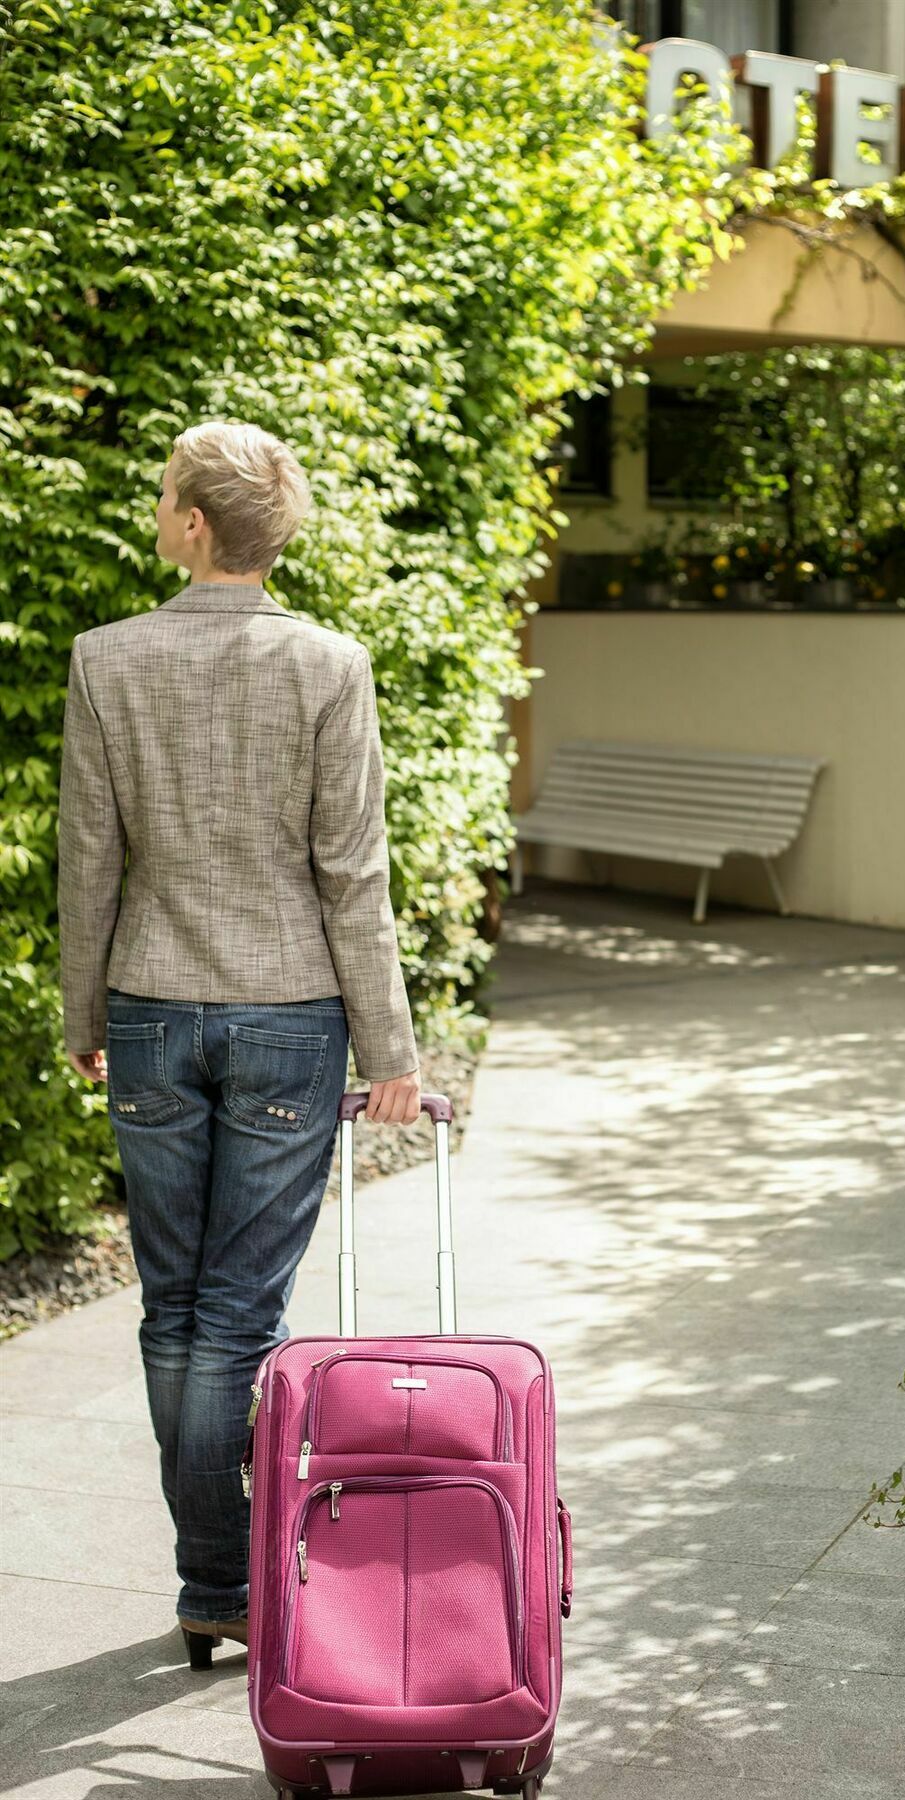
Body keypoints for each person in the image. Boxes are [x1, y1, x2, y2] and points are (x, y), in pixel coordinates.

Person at [56, 419, 422, 1654]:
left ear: (197, 525)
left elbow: (88, 863)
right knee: (238, 1319)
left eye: (167, 497)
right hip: (289, 1023)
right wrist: (392, 1054)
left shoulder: (107, 659)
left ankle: (212, 1576)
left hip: (153, 1016)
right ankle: (226, 1577)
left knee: (173, 1312)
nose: (160, 511)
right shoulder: (331, 664)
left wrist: (83, 1014)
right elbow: (351, 877)